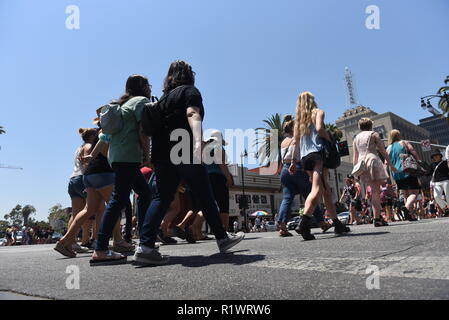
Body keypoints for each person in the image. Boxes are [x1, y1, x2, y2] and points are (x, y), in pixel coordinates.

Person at [134, 61, 244, 265]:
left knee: (161, 198)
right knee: (205, 195)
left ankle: (145, 246)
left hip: (162, 155)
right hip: (184, 149)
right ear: (189, 75)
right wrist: (198, 141)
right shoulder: (189, 91)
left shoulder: (162, 101)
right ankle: (222, 239)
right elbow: (192, 113)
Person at [90, 75, 153, 265]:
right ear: (142, 87)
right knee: (118, 199)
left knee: (144, 192)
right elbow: (143, 130)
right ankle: (100, 249)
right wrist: (147, 155)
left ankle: (145, 240)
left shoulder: (124, 105)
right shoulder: (140, 102)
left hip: (118, 156)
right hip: (128, 156)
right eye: (147, 85)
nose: (150, 88)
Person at [55, 130, 134, 258]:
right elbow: (106, 153)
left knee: (88, 209)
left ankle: (65, 241)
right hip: (103, 173)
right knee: (114, 205)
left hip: (89, 174)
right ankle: (118, 241)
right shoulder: (108, 132)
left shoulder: (98, 136)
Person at [289, 91, 350, 240]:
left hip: (305, 158)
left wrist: (292, 161)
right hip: (317, 155)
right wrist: (329, 140)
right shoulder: (318, 112)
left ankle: (337, 223)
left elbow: (295, 142)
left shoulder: (299, 121)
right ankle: (304, 221)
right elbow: (319, 129)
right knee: (317, 189)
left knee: (325, 190)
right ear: (312, 101)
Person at [278, 115, 332, 237]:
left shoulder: (283, 142)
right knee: (310, 194)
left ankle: (282, 226)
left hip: (285, 171)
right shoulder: (296, 139)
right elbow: (298, 152)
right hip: (297, 168)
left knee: (287, 198)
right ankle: (322, 222)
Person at [353, 118, 396, 227]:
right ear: (370, 125)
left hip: (362, 163)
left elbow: (355, 156)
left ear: (360, 126)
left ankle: (378, 216)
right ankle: (376, 218)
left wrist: (356, 172)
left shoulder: (356, 138)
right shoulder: (374, 134)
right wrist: (390, 164)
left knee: (373, 190)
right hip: (372, 160)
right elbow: (383, 150)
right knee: (376, 191)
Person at [387, 130, 420, 221]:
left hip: (396, 174)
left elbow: (386, 162)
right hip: (407, 170)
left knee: (406, 194)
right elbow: (413, 151)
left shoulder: (389, 148)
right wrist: (419, 161)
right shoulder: (404, 142)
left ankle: (411, 215)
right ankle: (406, 207)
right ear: (398, 135)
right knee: (414, 192)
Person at [429, 150, 449, 215]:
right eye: (434, 156)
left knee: (448, 196)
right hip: (436, 182)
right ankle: (445, 207)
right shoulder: (432, 165)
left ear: (440, 156)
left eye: (437, 155)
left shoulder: (445, 162)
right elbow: (428, 173)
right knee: (436, 196)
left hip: (446, 180)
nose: (435, 157)